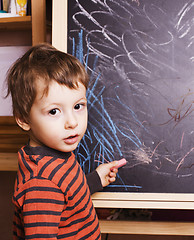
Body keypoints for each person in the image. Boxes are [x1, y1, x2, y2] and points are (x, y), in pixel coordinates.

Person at [6, 43, 119, 240]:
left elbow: (68, 193)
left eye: (78, 106)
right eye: (54, 111)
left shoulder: (55, 156)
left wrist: (95, 179)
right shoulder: (41, 185)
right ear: (24, 119)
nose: (72, 122)